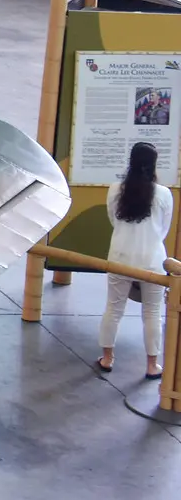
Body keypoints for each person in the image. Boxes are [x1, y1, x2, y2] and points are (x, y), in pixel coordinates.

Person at [98, 141, 174, 378]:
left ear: (131, 161)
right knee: (153, 312)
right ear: (154, 164)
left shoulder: (115, 189)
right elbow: (164, 229)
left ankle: (108, 358)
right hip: (153, 260)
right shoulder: (164, 194)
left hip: (120, 256)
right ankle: (152, 365)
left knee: (113, 308)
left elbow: (113, 220)